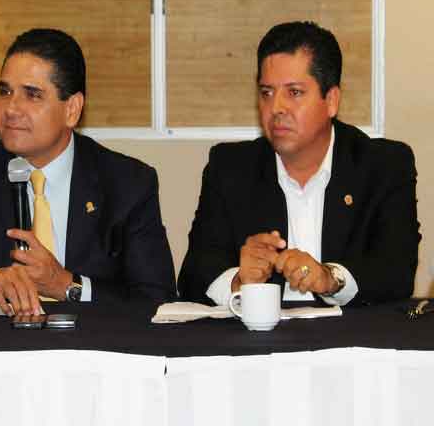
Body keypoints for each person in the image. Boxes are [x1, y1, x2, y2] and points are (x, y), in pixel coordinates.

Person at [0, 28, 176, 315]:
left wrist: (66, 285)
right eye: (5, 92)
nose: (11, 109)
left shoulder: (127, 184)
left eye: (32, 95)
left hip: (94, 342)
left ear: (72, 109)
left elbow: (157, 300)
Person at [178, 21, 420, 307]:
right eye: (267, 93)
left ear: (331, 100)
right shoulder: (230, 168)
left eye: (294, 92)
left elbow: (396, 272)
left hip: (351, 332)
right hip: (261, 332)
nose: (276, 108)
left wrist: (331, 279)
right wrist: (239, 281)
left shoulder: (383, 166)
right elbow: (193, 276)